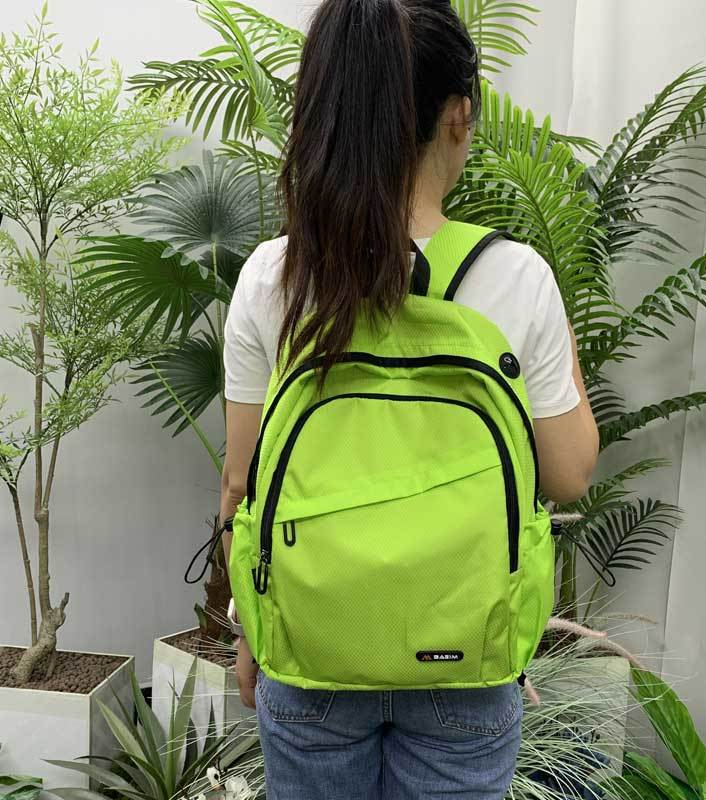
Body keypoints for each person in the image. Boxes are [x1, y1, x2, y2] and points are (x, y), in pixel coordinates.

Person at [219, 0, 598, 797]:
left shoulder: (273, 276)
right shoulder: (517, 276)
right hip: (467, 663)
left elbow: (242, 481)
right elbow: (567, 475)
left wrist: (251, 626)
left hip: (311, 653)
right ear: (458, 116)